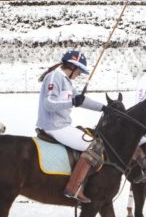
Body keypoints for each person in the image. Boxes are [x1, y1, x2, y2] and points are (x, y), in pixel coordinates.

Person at [36, 49, 106, 203]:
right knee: (95, 146)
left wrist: (104, 107)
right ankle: (73, 188)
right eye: (79, 71)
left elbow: (81, 100)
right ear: (72, 66)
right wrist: (72, 102)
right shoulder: (55, 77)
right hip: (54, 126)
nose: (79, 74)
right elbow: (48, 104)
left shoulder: (67, 81)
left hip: (62, 125)